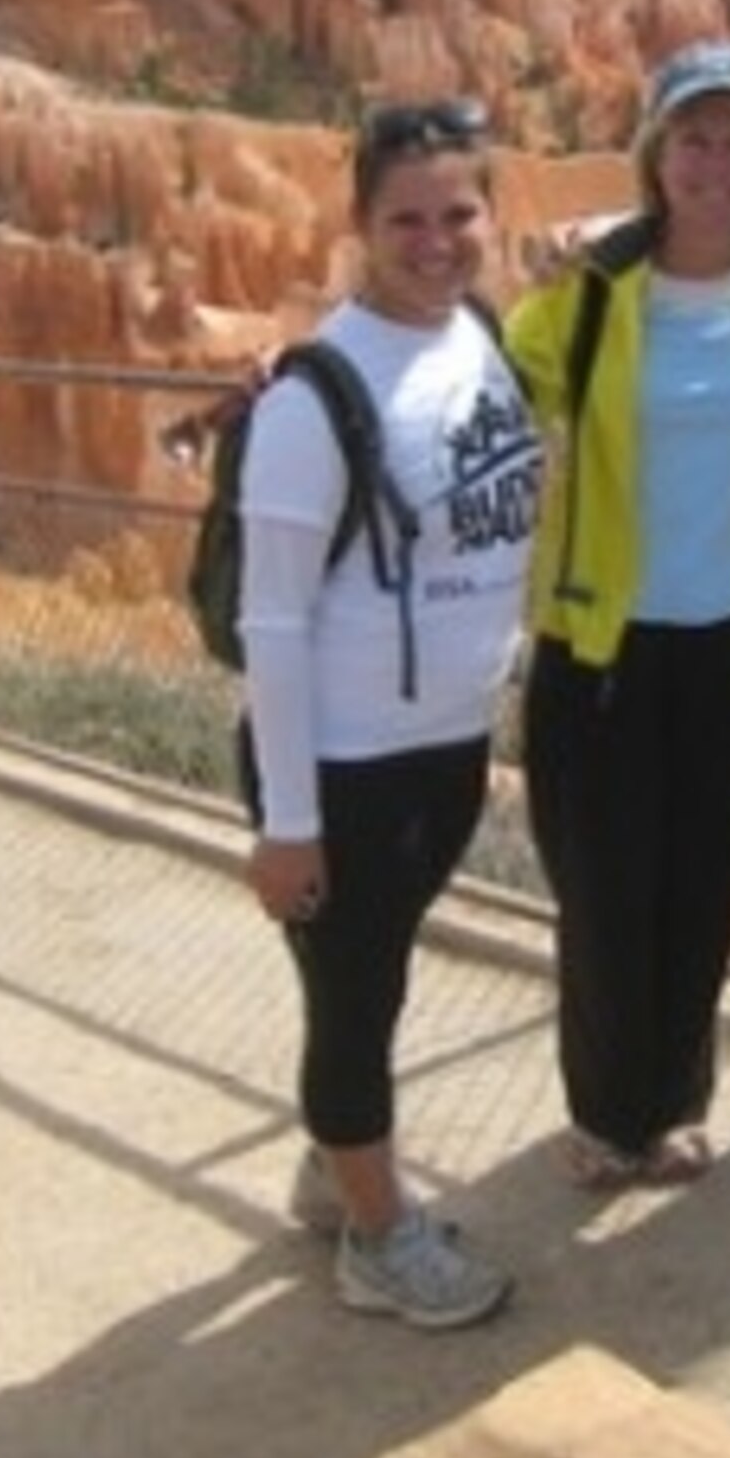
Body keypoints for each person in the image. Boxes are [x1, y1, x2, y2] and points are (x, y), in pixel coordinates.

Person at [503, 40, 730, 1191]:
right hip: (602, 639)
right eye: (694, 139)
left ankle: (676, 1106)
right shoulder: (591, 291)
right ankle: (607, 1116)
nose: (716, 164)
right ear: (656, 155)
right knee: (603, 893)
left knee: (702, 885)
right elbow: (493, 383)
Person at [236, 96, 542, 1327]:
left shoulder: (480, 338)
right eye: (406, 219)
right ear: (361, 224)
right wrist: (289, 823)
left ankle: (336, 1170)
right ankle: (378, 1237)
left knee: (377, 978)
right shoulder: (314, 397)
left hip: (446, 747)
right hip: (346, 763)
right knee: (356, 1005)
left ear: (490, 217)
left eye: (458, 213)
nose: (435, 241)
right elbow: (272, 621)